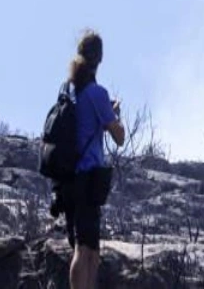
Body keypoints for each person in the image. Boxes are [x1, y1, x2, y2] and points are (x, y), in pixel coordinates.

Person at [63, 30, 125, 289]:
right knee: (85, 247)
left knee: (88, 246)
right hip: (87, 177)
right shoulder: (97, 93)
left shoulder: (69, 89)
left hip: (68, 176)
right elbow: (119, 137)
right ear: (99, 58)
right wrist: (113, 113)